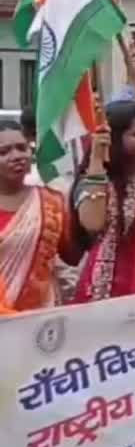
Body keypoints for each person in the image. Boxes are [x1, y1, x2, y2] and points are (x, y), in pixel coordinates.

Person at [73, 101, 135, 302]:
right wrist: (97, 158)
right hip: (107, 283)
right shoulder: (96, 179)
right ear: (114, 139)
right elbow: (93, 224)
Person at [0, 120, 73, 311]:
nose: (17, 156)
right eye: (4, 152)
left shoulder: (50, 201)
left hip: (39, 322)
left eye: (22, 148)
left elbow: (71, 256)